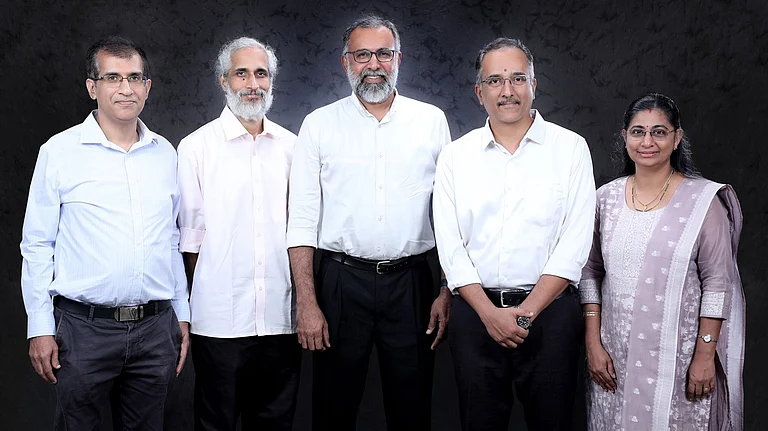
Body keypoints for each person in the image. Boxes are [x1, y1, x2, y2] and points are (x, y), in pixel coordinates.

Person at [287, 14, 453, 431]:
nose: (373, 64)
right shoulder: (319, 124)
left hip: (412, 283)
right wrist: (307, 302)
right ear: (346, 62)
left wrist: (447, 289)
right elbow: (302, 220)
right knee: (331, 408)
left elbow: (452, 214)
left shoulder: (431, 121)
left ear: (399, 59)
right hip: (341, 283)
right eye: (362, 54)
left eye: (383, 53)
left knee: (413, 408)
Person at [20, 36, 190, 430]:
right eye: (113, 77)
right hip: (82, 332)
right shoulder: (59, 152)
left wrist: (181, 315)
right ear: (92, 86)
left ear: (148, 86)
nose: (126, 88)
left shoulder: (166, 153)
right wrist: (40, 327)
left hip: (155, 330)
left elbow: (171, 240)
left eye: (135, 77)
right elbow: (37, 245)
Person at [433, 37, 596, 430]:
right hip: (476, 316)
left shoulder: (570, 149)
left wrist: (526, 315)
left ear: (533, 86)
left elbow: (575, 242)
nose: (507, 91)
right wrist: (489, 315)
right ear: (479, 92)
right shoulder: (456, 156)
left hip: (551, 316)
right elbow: (450, 245)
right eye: (495, 81)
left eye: (518, 78)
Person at [579, 93, 744, 430]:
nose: (647, 142)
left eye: (659, 131)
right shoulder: (604, 199)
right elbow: (590, 274)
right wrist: (593, 344)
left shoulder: (702, 202)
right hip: (613, 361)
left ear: (676, 137)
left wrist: (704, 355)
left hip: (677, 361)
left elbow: (717, 283)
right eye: (638, 132)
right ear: (624, 137)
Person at [176, 36, 300, 431]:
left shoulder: (292, 147)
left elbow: (301, 230)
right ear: (223, 80)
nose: (252, 83)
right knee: (216, 423)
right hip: (219, 319)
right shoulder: (196, 148)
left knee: (275, 422)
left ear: (272, 81)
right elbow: (190, 240)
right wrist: (209, 290)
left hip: (280, 318)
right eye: (241, 73)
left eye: (261, 74)